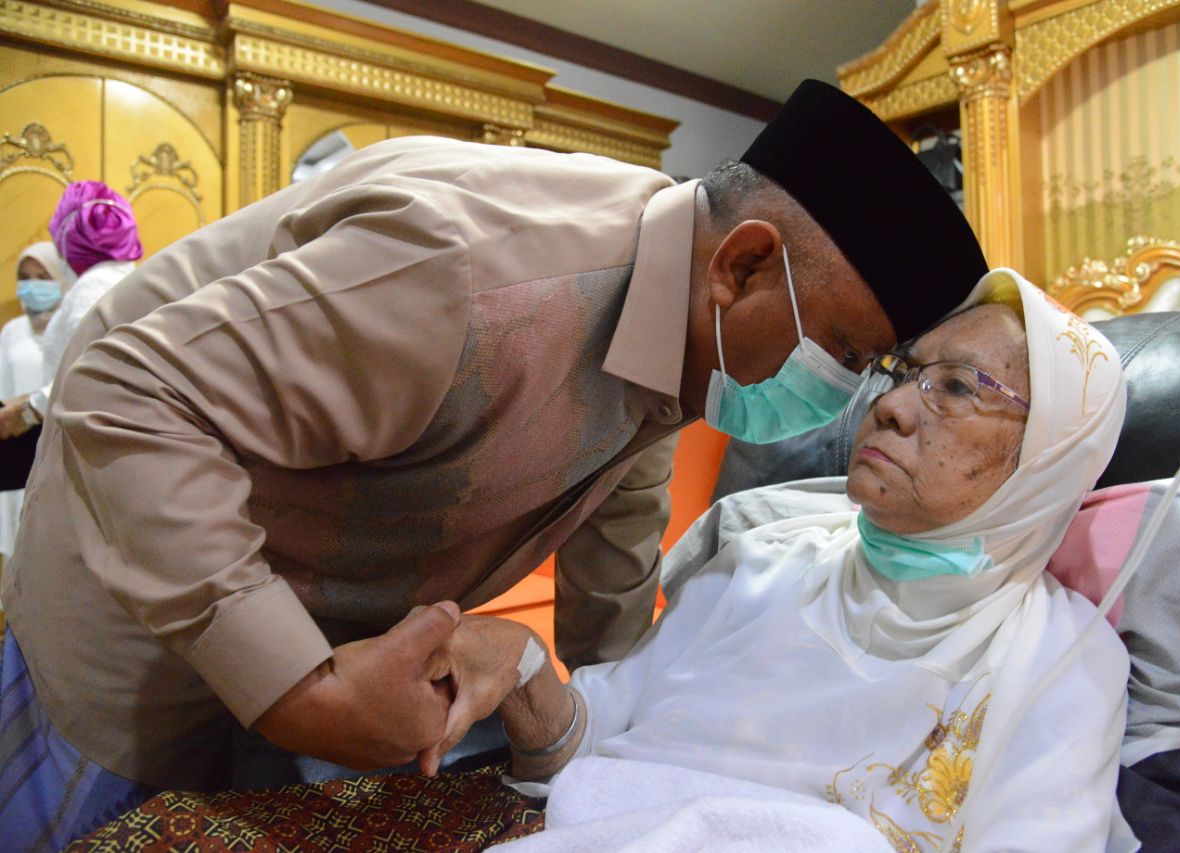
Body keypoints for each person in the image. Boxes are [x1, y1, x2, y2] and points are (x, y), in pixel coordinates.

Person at [0, 80, 988, 849]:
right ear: (739, 265)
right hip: (140, 588)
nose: (854, 394)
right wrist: (299, 690)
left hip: (331, 625)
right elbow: (125, 394)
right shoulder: (472, 275)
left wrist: (597, 736)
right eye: (848, 355)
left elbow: (614, 552)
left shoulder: (684, 328)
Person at [433, 269, 1130, 852]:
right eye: (903, 372)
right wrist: (521, 665)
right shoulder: (759, 561)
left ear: (1048, 457)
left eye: (956, 387)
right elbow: (582, 754)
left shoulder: (1061, 662)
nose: (888, 407)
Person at [0, 183, 143, 489]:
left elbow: (90, 366)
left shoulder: (93, 285)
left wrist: (27, 411)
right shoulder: (125, 276)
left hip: (84, 437)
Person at [0, 243, 71, 558]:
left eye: (43, 277)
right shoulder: (12, 331)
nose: (32, 286)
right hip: (14, 449)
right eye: (25, 277)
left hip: (59, 449)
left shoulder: (72, 328)